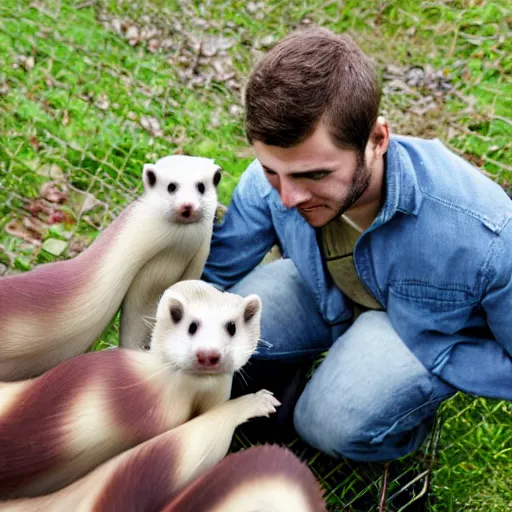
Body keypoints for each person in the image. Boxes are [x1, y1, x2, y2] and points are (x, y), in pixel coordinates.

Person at [202, 26, 512, 463]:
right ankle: (295, 385)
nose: (288, 197)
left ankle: (398, 420)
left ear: (377, 140)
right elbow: (214, 277)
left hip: (409, 331)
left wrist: (443, 357)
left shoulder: (486, 233)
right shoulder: (270, 185)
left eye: (315, 175)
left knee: (328, 424)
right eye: (273, 170)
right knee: (225, 325)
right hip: (323, 290)